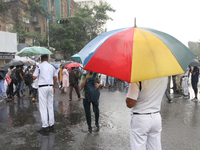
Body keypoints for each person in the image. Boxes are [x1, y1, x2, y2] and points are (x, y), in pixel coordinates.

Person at [126, 77, 168, 150]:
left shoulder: (138, 77)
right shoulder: (164, 76)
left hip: (141, 117)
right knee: (155, 146)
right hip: (156, 115)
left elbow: (130, 103)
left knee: (138, 146)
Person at [33, 54, 57, 132]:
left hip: (42, 87)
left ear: (41, 59)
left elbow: (34, 77)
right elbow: (55, 77)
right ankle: (51, 124)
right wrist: (54, 86)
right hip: (50, 86)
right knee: (50, 105)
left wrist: (34, 71)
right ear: (47, 59)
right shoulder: (52, 67)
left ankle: (45, 126)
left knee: (43, 107)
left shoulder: (39, 66)